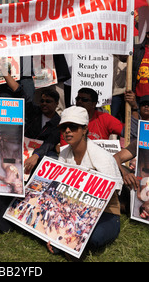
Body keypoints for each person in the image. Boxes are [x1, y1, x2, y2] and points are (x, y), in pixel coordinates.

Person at [47, 106, 123, 256]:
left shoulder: (102, 157)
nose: (67, 131)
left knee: (94, 238)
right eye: (64, 127)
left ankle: (74, 244)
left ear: (85, 129)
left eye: (73, 127)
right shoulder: (63, 153)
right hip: (73, 209)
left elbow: (116, 189)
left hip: (105, 212)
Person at [24, 88, 61, 175]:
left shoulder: (58, 122)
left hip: (42, 152)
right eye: (42, 101)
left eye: (48, 101)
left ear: (56, 103)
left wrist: (36, 155)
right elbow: (23, 95)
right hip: (24, 148)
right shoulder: (34, 112)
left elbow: (50, 142)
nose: (44, 104)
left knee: (53, 159)